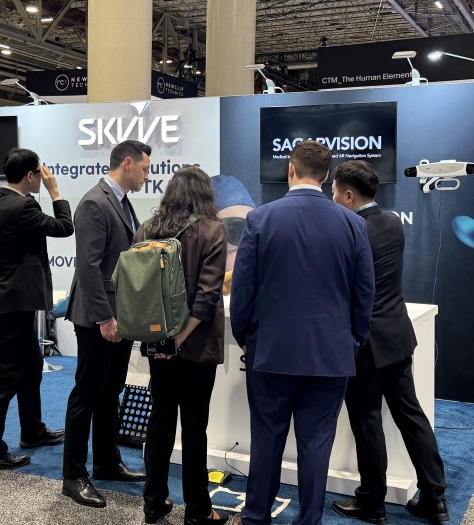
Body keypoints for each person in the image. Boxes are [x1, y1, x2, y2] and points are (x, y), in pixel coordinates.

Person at [229, 141, 374, 525]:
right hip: (330, 355)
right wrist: (352, 342)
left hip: (271, 353)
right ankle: (309, 520)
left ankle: (256, 518)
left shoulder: (260, 219)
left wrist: (247, 339)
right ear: (326, 176)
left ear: (290, 170)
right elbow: (364, 295)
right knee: (316, 447)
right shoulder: (354, 224)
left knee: (266, 441)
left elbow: (242, 291)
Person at [329, 160, 449, 525]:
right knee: (411, 416)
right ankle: (435, 497)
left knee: (367, 423)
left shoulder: (349, 230)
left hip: (363, 344)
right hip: (396, 337)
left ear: (349, 196)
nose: (332, 198)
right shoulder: (393, 222)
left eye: (334, 192)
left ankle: (371, 503)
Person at [135, 167, 228, 525]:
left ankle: (153, 503)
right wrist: (181, 337)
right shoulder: (212, 230)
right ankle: (198, 510)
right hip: (196, 345)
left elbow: (138, 289)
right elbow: (207, 297)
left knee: (160, 419)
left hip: (157, 342)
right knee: (194, 426)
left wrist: (164, 338)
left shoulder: (147, 228)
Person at [61, 139, 152, 508]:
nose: (147, 176)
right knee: (86, 393)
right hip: (98, 317)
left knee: (110, 391)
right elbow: (88, 267)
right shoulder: (94, 203)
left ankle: (106, 461)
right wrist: (105, 318)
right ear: (127, 163)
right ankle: (73, 475)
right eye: (144, 168)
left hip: (120, 315)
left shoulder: (121, 201)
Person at [0, 148, 73, 471]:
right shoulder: (23, 206)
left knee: (32, 365)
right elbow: (64, 226)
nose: (42, 178)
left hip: (6, 299)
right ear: (30, 175)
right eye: (39, 174)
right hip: (14, 302)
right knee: (6, 376)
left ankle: (32, 430)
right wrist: (55, 192)